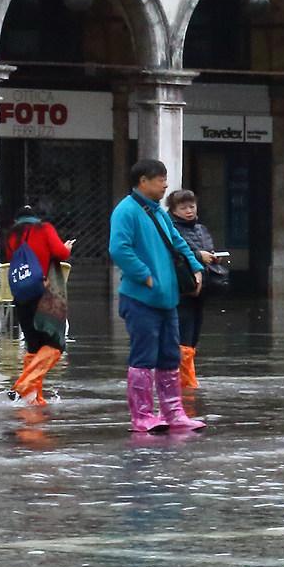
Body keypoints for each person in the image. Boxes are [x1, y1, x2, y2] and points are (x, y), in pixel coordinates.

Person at [108, 160, 206, 432]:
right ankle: (141, 416)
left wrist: (196, 268)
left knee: (169, 356)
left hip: (167, 300)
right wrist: (145, 275)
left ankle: (173, 413)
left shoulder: (159, 213)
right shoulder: (126, 211)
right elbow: (119, 249)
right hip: (141, 299)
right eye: (160, 179)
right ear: (143, 181)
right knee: (144, 356)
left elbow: (179, 243)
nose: (165, 184)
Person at [4, 205, 70, 407]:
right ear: (35, 218)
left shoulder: (11, 235)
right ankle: (23, 386)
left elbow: (10, 259)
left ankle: (33, 398)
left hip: (21, 294)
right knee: (54, 344)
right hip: (43, 292)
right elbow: (61, 253)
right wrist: (67, 247)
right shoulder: (44, 228)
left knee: (33, 345)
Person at [163, 189, 226, 390]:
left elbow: (206, 248)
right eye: (183, 208)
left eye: (192, 206)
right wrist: (199, 256)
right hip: (182, 286)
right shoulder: (170, 228)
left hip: (202, 285)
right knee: (184, 332)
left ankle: (187, 378)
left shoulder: (201, 229)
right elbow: (176, 253)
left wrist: (213, 257)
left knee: (193, 335)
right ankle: (182, 380)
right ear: (173, 209)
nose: (189, 211)